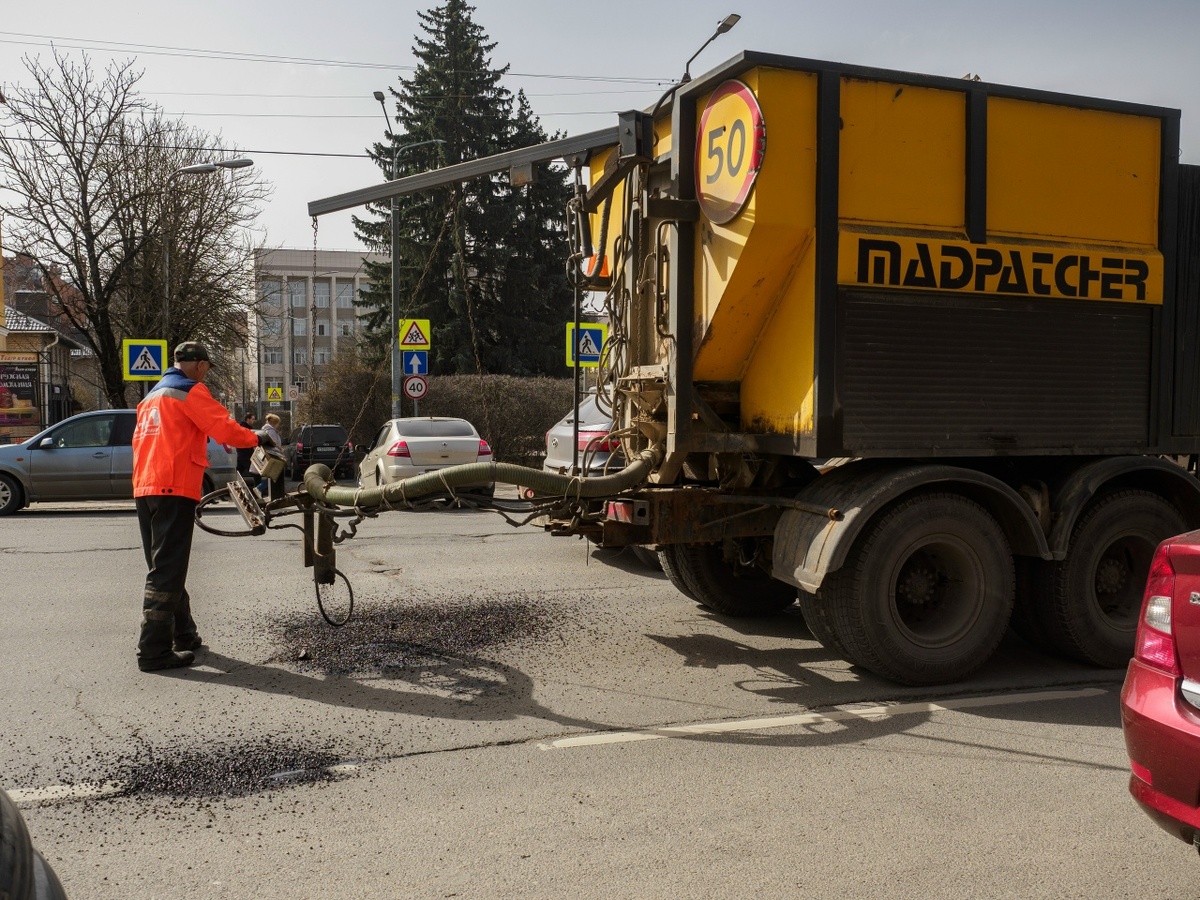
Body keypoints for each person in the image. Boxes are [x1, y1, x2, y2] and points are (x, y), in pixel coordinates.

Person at [132, 341, 270, 672]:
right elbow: (223, 428)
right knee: (167, 570)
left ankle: (184, 634)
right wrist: (258, 438)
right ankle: (152, 650)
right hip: (173, 485)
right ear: (201, 365)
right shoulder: (189, 391)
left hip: (145, 485)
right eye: (206, 369)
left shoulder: (151, 397)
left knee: (166, 564)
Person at [256, 412, 285, 499]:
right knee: (274, 475)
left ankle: (260, 489)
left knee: (272, 475)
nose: (278, 426)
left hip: (270, 456)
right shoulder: (271, 431)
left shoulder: (265, 430)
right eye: (278, 424)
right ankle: (259, 488)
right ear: (274, 423)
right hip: (274, 455)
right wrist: (280, 449)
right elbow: (273, 443)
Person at [235, 412, 257, 476]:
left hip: (242, 452)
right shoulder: (245, 428)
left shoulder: (243, 427)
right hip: (246, 453)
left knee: (239, 471)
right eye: (252, 419)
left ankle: (235, 482)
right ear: (248, 419)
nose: (254, 421)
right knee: (254, 472)